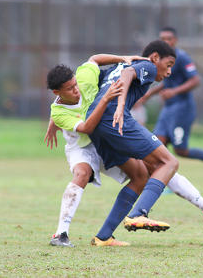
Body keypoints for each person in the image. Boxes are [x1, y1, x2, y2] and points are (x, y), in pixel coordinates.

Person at [86, 40, 203, 245]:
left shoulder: (118, 66)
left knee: (140, 175)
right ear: (155, 58)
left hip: (95, 122)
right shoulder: (148, 65)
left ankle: (103, 236)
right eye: (169, 64)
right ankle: (138, 214)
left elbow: (94, 67)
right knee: (169, 162)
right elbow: (128, 76)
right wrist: (120, 105)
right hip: (114, 118)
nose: (169, 72)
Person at [46, 53, 150, 247]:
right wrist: (106, 98)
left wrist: (123, 58)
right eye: (69, 89)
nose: (76, 90)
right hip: (81, 147)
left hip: (103, 142)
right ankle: (61, 234)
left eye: (75, 84)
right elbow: (86, 128)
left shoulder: (84, 77)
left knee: (148, 169)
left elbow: (94, 59)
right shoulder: (58, 112)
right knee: (82, 173)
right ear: (56, 92)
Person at [136, 27, 203, 178]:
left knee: (180, 150)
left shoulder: (181, 57)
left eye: (168, 38)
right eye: (162, 38)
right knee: (157, 145)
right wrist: (148, 95)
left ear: (175, 40)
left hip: (182, 109)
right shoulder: (164, 59)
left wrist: (174, 92)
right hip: (168, 109)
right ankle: (165, 180)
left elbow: (195, 80)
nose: (165, 41)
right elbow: (167, 82)